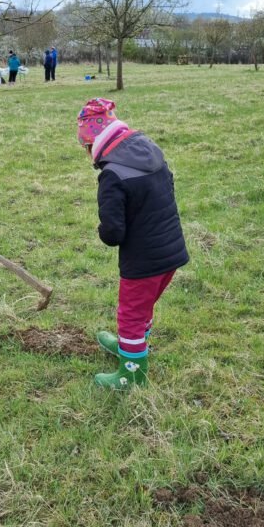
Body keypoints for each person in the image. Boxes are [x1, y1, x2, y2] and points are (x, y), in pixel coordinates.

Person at [76, 98, 188, 390]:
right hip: (171, 251)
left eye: (85, 147)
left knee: (130, 315)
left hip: (143, 261)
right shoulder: (150, 149)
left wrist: (101, 230)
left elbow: (113, 233)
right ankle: (133, 345)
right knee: (144, 308)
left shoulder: (111, 175)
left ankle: (132, 373)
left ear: (94, 144)